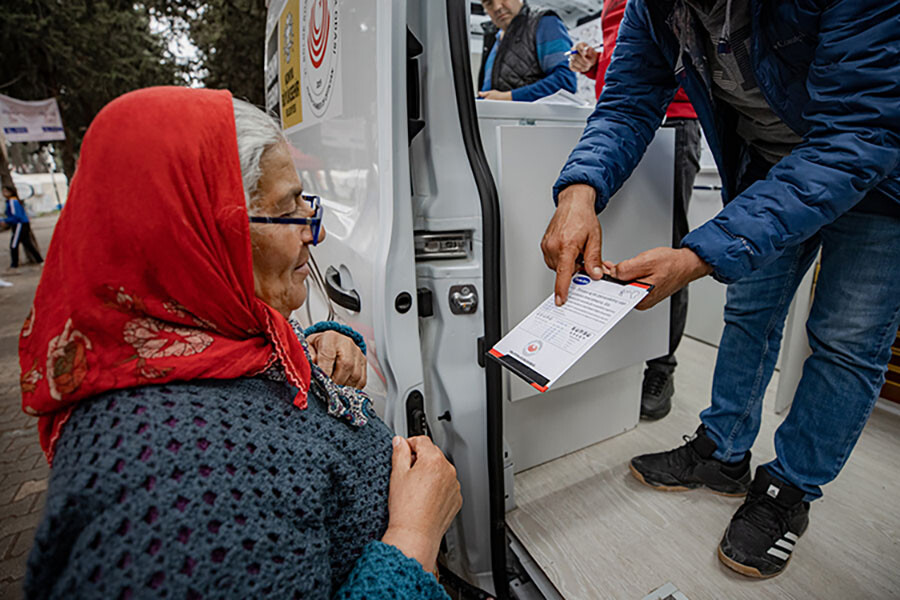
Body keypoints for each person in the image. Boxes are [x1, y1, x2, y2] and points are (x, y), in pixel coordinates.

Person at [22, 87, 461, 599]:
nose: (312, 233)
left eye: (304, 200)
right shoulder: (174, 496)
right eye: (286, 210)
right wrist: (415, 536)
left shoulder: (186, 335)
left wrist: (321, 343)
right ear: (195, 234)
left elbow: (259, 369)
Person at [542, 0, 900, 579]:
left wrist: (696, 254)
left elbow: (858, 130)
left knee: (847, 340)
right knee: (749, 313)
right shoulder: (654, 8)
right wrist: (579, 189)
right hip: (768, 165)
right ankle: (723, 453)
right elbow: (629, 101)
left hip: (881, 174)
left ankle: (788, 491)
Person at [568, 0, 701, 420]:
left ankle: (662, 365)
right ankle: (620, 358)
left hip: (672, 120)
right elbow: (630, 65)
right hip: (619, 124)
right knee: (617, 245)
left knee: (671, 252)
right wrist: (596, 67)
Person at [477, 0, 577, 102]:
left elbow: (565, 81)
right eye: (489, 3)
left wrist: (509, 97)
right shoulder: (492, 42)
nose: (497, 7)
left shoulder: (544, 22)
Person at [3, 184, 43, 271]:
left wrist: (5, 220)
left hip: (19, 224)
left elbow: (16, 216)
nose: (3, 193)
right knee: (27, 243)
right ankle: (40, 260)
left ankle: (14, 265)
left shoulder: (12, 202)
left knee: (14, 244)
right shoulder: (14, 201)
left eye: (5, 191)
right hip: (22, 223)